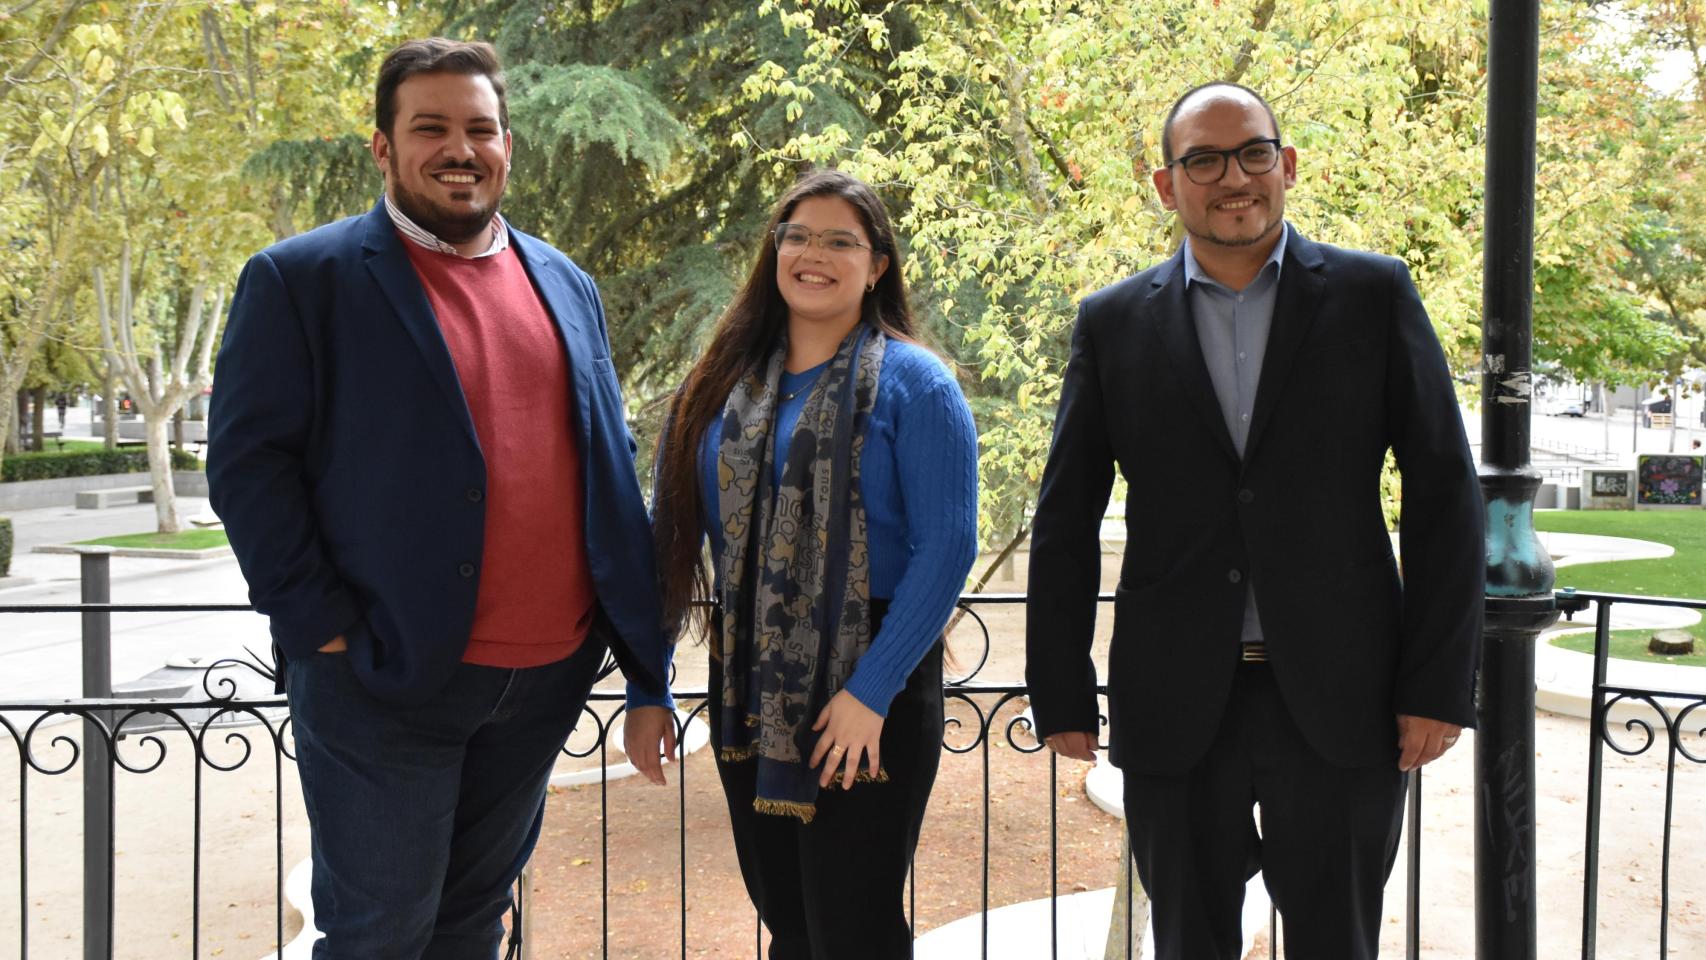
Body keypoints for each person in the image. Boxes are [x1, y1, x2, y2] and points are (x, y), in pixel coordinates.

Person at [208, 38, 668, 958]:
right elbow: (249, 467)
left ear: (506, 146)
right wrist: (321, 628)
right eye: (430, 128)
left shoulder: (566, 283)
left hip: (543, 679)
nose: (459, 148)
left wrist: (639, 662)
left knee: (468, 927)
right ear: (383, 147)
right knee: (380, 933)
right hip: (381, 677)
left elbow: (608, 463)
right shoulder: (302, 281)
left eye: (479, 129)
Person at [1024, 82, 1484, 959]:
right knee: (1189, 944)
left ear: (1288, 165)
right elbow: (1065, 515)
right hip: (1174, 699)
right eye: (1202, 159)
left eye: (1252, 153)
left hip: (1344, 698)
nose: (1232, 177)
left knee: (1336, 942)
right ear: (1166, 185)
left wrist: (1435, 684)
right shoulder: (1113, 323)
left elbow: (1443, 492)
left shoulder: (1374, 295)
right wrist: (1061, 686)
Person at [625, 169, 979, 959]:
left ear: (877, 264)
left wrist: (871, 691)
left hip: (869, 685)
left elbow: (950, 544)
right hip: (750, 681)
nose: (814, 254)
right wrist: (646, 687)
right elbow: (668, 544)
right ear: (774, 250)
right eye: (798, 235)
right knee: (790, 921)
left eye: (841, 241)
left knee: (853, 929)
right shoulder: (714, 389)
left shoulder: (917, 385)